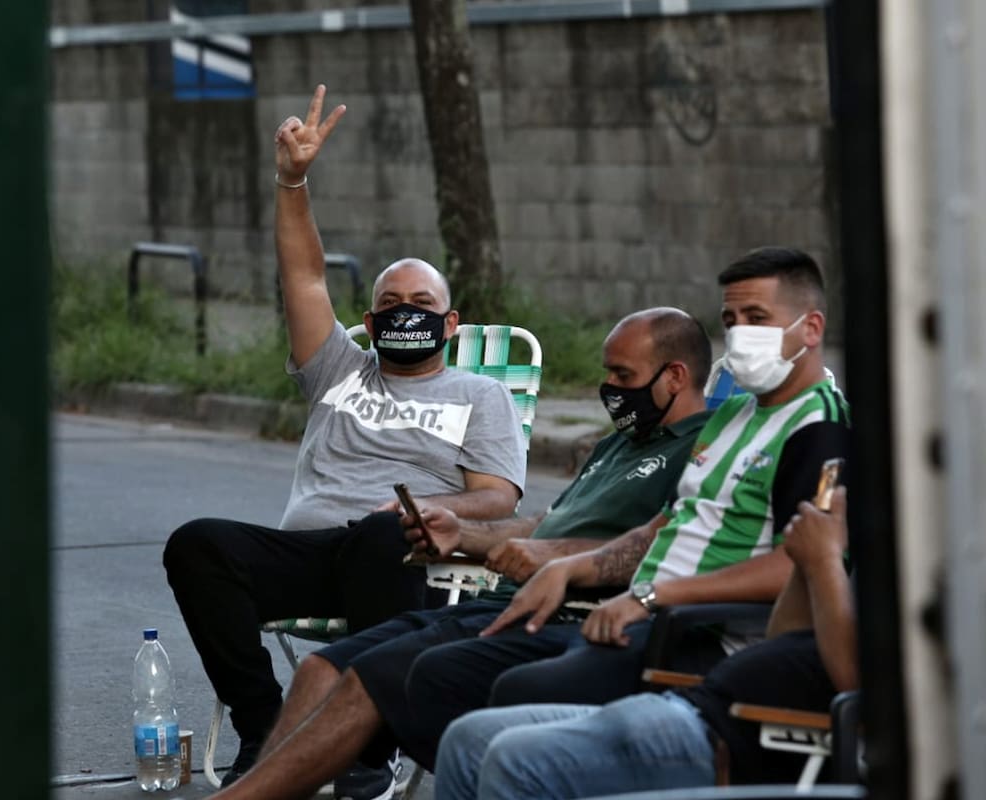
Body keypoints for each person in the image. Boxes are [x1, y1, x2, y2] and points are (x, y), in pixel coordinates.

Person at [208, 246, 850, 800]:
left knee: (432, 687)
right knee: (338, 668)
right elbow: (658, 527)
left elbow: (800, 563)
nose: (740, 336)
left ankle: (359, 764)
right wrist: (502, 546)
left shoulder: (813, 427)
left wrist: (632, 591)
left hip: (669, 629)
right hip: (585, 601)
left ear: (811, 325)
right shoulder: (733, 421)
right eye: (731, 320)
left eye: (757, 320)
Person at [160, 84, 528, 793]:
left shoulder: (481, 395)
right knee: (198, 542)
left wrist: (422, 511)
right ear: (368, 318)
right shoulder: (339, 368)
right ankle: (265, 728)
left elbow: (497, 498)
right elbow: (302, 273)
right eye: (390, 304)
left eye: (423, 305)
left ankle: (365, 749)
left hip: (396, 556)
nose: (405, 314)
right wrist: (292, 180)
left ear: (451, 325)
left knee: (381, 534)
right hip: (308, 552)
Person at [435, 485, 857, 798]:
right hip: (692, 705)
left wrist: (824, 560)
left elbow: (853, 679)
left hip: (732, 743)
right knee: (467, 739)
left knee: (515, 759)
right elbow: (783, 636)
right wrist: (808, 565)